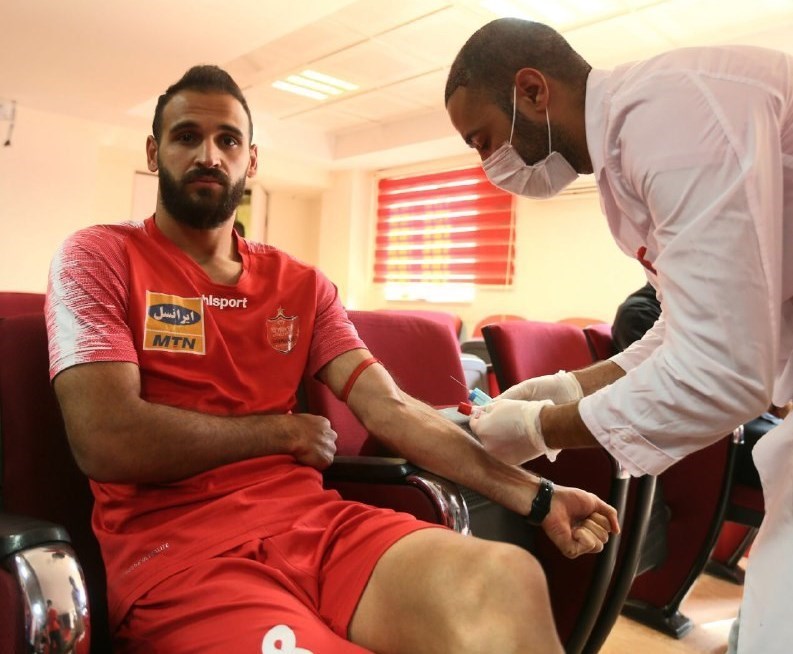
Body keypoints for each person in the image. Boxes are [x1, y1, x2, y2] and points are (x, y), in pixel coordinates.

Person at [46, 65, 619, 653]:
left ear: (251, 160)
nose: (209, 155)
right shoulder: (100, 256)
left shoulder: (300, 284)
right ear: (154, 151)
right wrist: (281, 433)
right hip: (181, 554)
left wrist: (538, 495)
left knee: (506, 579)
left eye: (228, 140)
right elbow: (105, 439)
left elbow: (391, 409)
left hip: (314, 526)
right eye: (187, 136)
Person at [445, 17, 793, 653]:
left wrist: (541, 429)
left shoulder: (672, 119)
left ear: (532, 91)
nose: (488, 163)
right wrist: (565, 386)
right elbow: (685, 327)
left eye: (483, 140)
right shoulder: (627, 156)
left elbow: (721, 369)